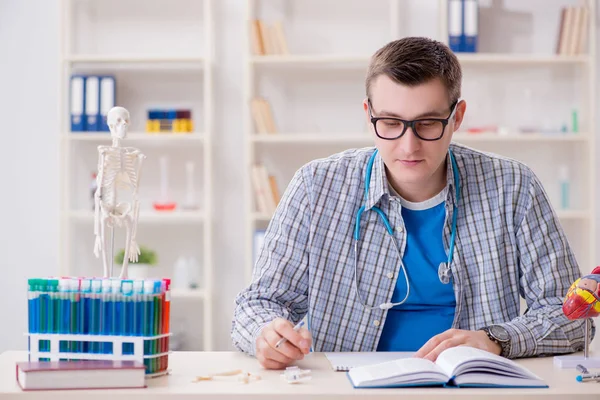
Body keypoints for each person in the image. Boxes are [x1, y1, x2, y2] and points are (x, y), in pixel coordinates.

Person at [231, 36, 588, 370]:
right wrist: (266, 334)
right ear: (368, 115)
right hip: (345, 385)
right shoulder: (316, 187)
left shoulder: (513, 187)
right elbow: (256, 304)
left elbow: (573, 317)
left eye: (429, 123)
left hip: (471, 386)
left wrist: (495, 340)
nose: (408, 146)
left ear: (457, 117)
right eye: (390, 122)